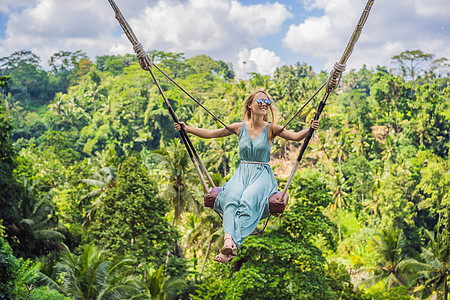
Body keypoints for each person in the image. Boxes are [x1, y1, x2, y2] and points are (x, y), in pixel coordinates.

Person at [175, 90, 319, 263]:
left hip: (261, 175)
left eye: (267, 101)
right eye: (260, 101)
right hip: (242, 173)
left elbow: (296, 137)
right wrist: (187, 129)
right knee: (231, 197)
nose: (264, 104)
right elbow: (212, 133)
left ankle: (232, 244)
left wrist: (309, 129)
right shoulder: (239, 127)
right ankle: (229, 240)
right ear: (250, 105)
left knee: (249, 199)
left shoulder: (272, 128)